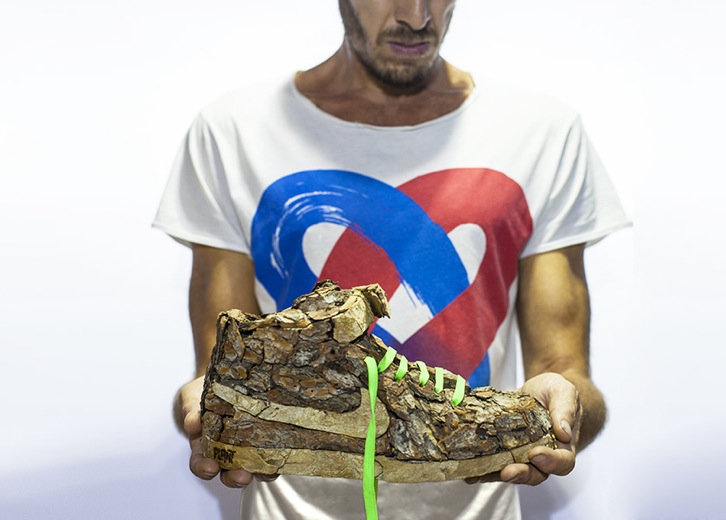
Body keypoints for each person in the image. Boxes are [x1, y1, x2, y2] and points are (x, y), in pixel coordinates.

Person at [154, 0, 630, 518]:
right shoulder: (233, 131)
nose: (418, 17)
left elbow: (565, 370)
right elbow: (220, 371)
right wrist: (208, 411)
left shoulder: (542, 133)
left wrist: (560, 411)